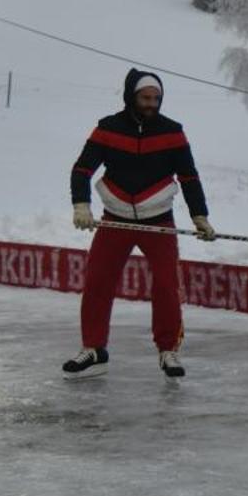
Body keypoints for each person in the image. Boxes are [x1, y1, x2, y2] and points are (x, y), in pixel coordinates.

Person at [64, 68, 216, 380]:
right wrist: (81, 204)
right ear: (132, 96)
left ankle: (168, 350)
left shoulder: (173, 132)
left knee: (166, 284)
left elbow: (189, 176)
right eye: (145, 98)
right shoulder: (108, 129)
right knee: (97, 281)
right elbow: (81, 169)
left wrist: (199, 216)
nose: (151, 103)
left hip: (158, 221)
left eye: (156, 98)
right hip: (115, 219)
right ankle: (94, 349)